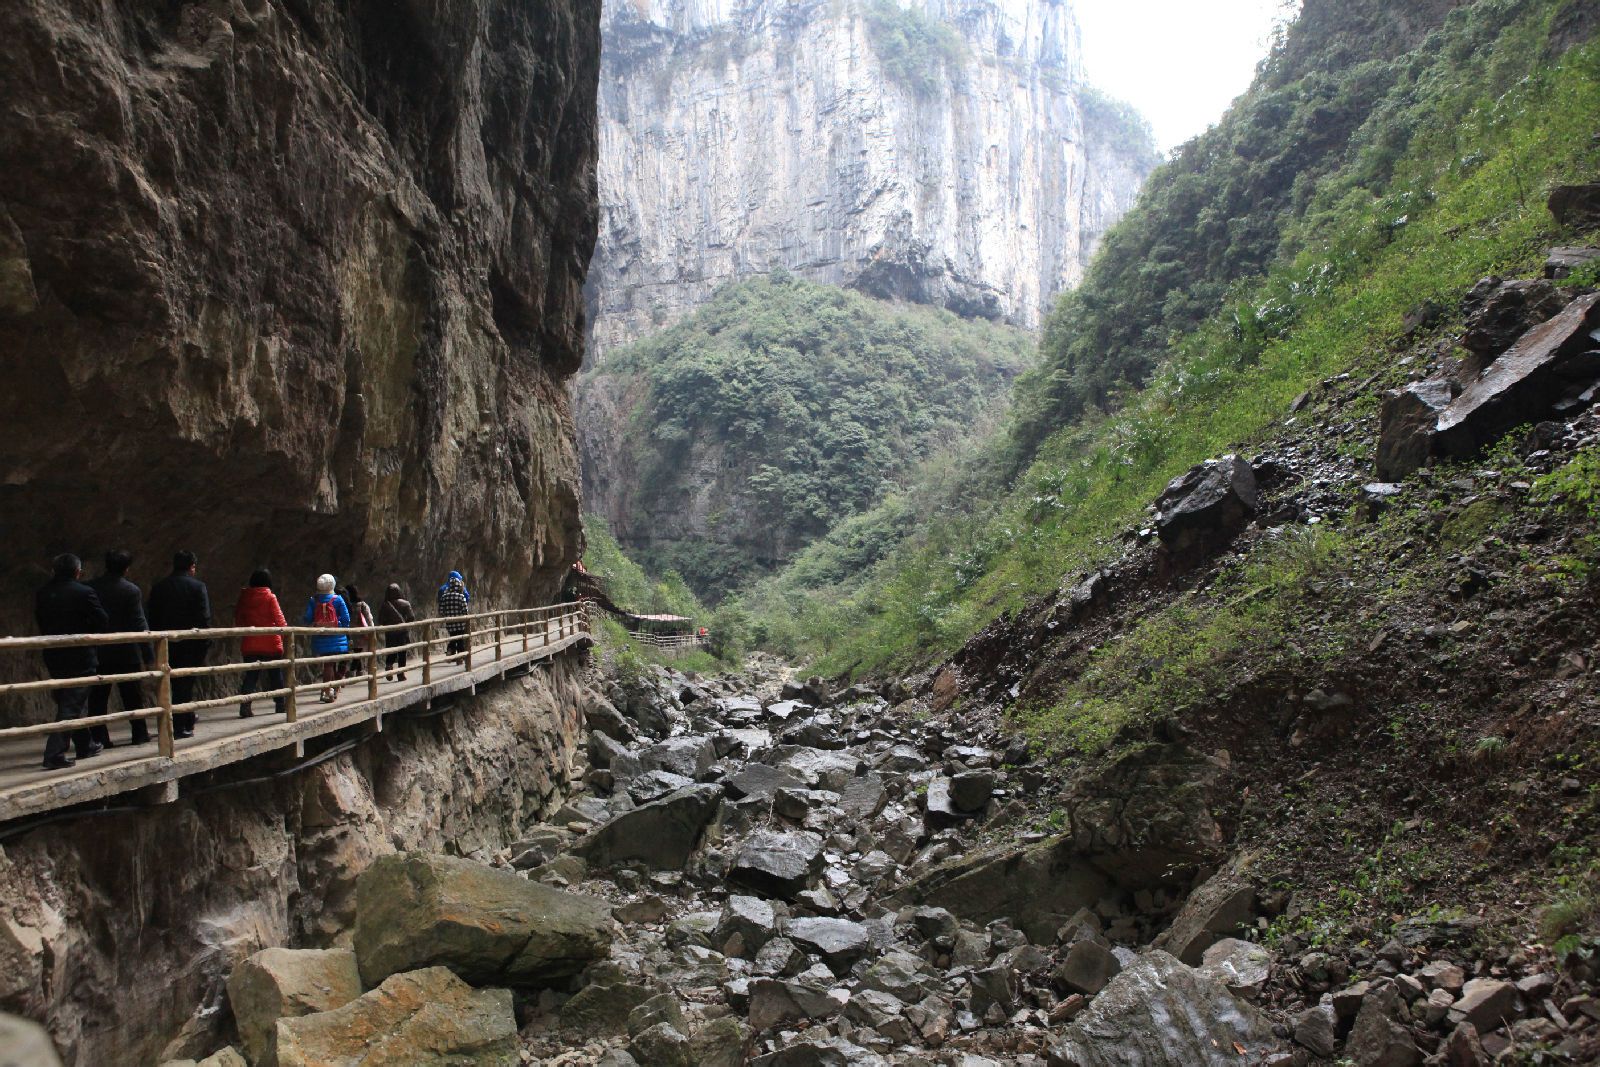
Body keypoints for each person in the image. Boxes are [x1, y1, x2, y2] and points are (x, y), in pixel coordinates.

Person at [35, 553, 109, 769]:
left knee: (67, 699)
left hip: (54, 653)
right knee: (71, 703)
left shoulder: (43, 592)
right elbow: (102, 620)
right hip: (80, 653)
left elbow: (41, 619)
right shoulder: (84, 592)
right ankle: (54, 754)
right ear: (78, 572)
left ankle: (86, 744)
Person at [87, 549, 153, 745]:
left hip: (99, 650)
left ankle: (99, 737)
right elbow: (139, 623)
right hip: (126, 651)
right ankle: (139, 733)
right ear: (126, 568)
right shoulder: (131, 590)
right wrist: (148, 654)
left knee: (98, 698)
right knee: (132, 695)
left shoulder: (91, 588)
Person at [147, 550, 211, 739]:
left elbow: (153, 616)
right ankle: (182, 723)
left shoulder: (159, 587)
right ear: (192, 566)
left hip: (166, 644)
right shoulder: (198, 587)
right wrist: (205, 640)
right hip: (191, 643)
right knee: (186, 682)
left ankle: (179, 719)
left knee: (170, 682)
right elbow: (203, 617)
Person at [234, 569, 287, 718]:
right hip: (271, 643)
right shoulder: (270, 597)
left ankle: (245, 706)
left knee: (251, 676)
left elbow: (239, 619)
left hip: (250, 643)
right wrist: (285, 634)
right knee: (275, 675)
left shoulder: (244, 597)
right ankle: (280, 705)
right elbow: (280, 620)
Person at [303, 574, 350, 703]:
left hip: (320, 637)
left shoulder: (314, 600)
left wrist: (318, 623)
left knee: (329, 664)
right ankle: (328, 691)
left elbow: (307, 618)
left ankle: (330, 690)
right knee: (330, 664)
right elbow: (346, 619)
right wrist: (337, 625)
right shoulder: (338, 599)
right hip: (337, 637)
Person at [379, 583, 415, 681]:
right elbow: (411, 617)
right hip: (402, 632)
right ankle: (401, 674)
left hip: (390, 632)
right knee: (402, 653)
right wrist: (405, 624)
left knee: (391, 651)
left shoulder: (385, 605)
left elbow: (381, 620)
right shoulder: (405, 603)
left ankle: (389, 667)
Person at [437, 570, 470, 658]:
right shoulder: (461, 596)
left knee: (453, 637)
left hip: (449, 622)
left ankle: (450, 651)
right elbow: (465, 610)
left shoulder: (444, 595)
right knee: (460, 639)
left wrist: (447, 614)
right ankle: (460, 657)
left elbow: (441, 610)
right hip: (460, 622)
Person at [344, 584, 375, 664]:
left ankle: (352, 673)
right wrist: (372, 631)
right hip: (360, 634)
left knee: (352, 656)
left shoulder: (344, 606)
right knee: (360, 655)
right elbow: (369, 619)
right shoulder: (362, 605)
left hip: (348, 634)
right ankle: (359, 672)